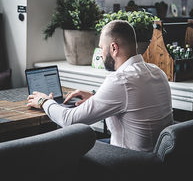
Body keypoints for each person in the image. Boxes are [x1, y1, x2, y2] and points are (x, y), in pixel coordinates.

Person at [27, 20, 173, 152]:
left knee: (68, 148)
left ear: (114, 48)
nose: (101, 55)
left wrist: (44, 101)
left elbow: (69, 120)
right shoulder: (157, 72)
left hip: (128, 163)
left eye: (101, 48)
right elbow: (132, 104)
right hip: (154, 163)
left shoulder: (121, 80)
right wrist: (95, 98)